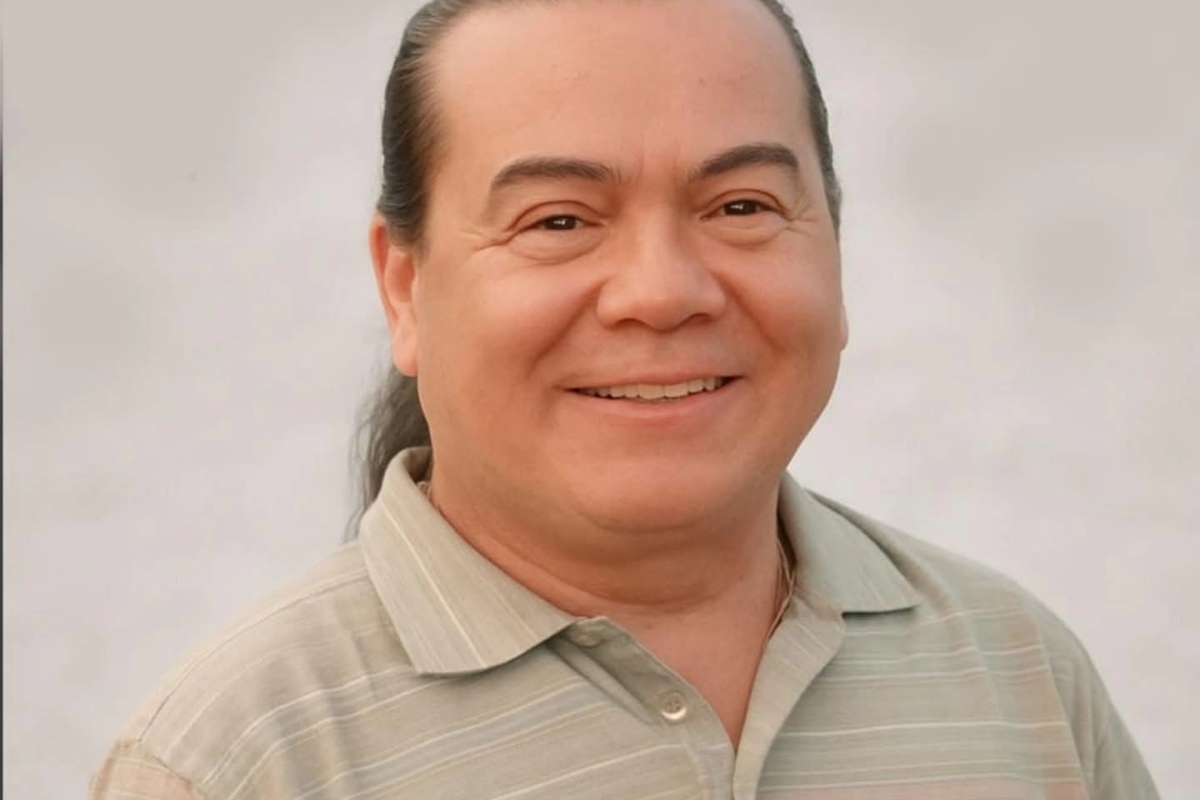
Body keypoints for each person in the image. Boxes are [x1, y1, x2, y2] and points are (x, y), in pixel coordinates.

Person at [90, 0, 1161, 797]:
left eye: (741, 205)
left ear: (835, 245)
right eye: (558, 220)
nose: (662, 292)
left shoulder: (1016, 673)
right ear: (405, 287)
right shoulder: (239, 760)